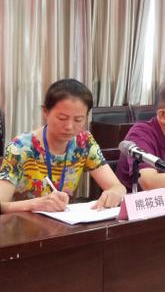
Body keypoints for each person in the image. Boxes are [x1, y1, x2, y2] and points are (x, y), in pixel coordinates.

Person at [0, 79, 126, 214]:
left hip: (63, 222)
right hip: (23, 224)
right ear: (45, 112)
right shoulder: (21, 147)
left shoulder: (83, 142)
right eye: (62, 118)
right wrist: (35, 204)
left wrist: (115, 192)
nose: (69, 127)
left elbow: (117, 187)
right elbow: (1, 205)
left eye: (78, 120)